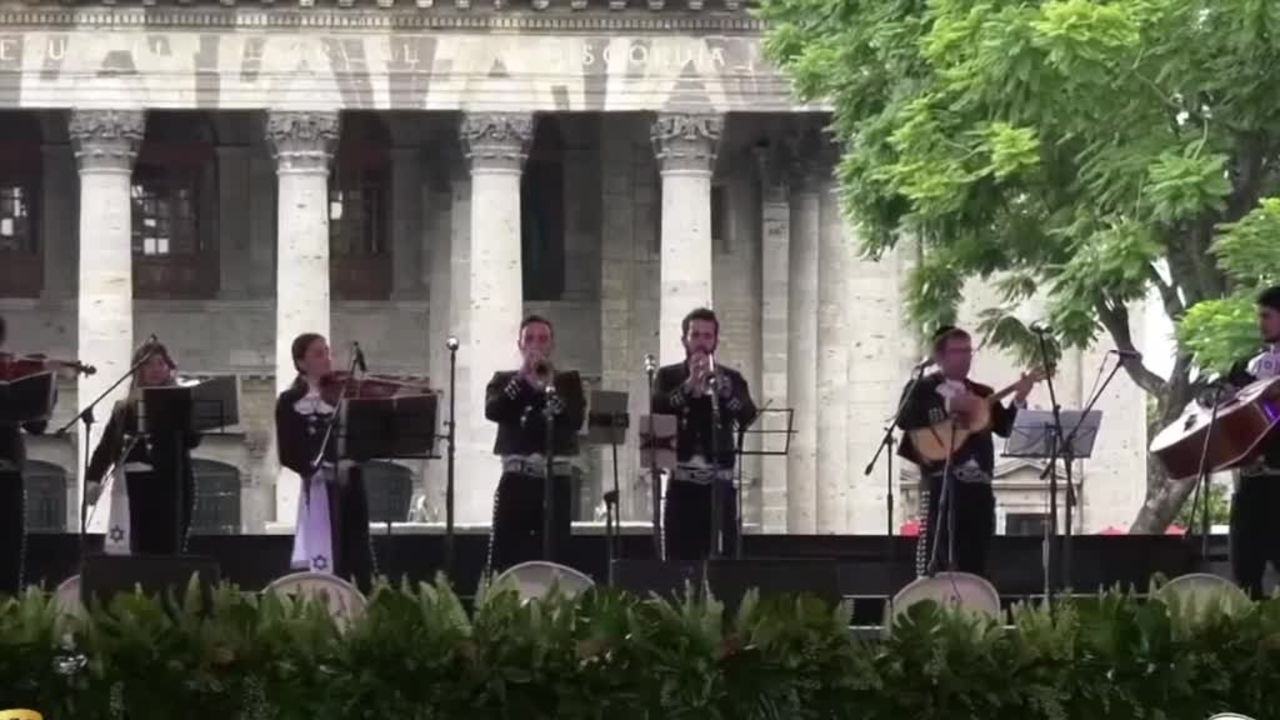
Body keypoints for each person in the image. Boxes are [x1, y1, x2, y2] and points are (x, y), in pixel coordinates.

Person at [896, 325, 1039, 577]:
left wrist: (1019, 399)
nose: (965, 357)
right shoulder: (922, 388)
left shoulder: (983, 393)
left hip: (978, 488)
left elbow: (1005, 428)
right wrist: (949, 405)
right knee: (939, 559)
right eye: (958, 351)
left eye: (968, 351)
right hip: (941, 485)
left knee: (976, 559)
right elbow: (904, 419)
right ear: (940, 356)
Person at [653, 307, 758, 561]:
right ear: (684, 340)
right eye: (695, 335)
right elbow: (658, 409)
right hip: (682, 486)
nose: (701, 342)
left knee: (723, 562)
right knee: (679, 560)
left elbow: (748, 414)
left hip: (719, 487)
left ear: (715, 341)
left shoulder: (731, 378)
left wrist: (727, 394)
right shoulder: (668, 376)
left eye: (707, 336)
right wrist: (688, 386)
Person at [484, 315, 586, 572]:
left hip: (556, 480)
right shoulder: (504, 380)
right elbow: (494, 411)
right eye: (529, 339)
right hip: (517, 478)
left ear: (552, 345)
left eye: (543, 339)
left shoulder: (568, 381)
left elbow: (574, 420)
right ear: (520, 345)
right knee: (505, 554)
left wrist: (549, 388)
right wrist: (522, 380)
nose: (536, 345)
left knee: (556, 552)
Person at [276, 333, 373, 589]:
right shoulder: (289, 401)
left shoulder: (346, 393)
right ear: (301, 362)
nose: (327, 358)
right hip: (317, 485)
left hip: (350, 483)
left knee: (355, 550)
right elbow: (287, 452)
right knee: (323, 547)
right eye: (318, 354)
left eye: (327, 352)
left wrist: (349, 460)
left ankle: (358, 598)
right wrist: (314, 469)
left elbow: (364, 439)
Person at [85, 340, 201, 555]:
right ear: (138, 370)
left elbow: (193, 441)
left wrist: (185, 408)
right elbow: (106, 447)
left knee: (170, 549)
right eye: (148, 364)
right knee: (138, 548)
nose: (155, 369)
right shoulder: (123, 409)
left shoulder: (181, 404)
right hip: (135, 487)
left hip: (172, 486)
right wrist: (93, 479)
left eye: (160, 363)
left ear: (169, 368)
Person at [1226, 285, 1280, 598]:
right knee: (1245, 574)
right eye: (1259, 316)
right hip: (1251, 483)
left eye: (1267, 316)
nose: (1260, 324)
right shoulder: (1251, 364)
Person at [0, 315, 48, 592]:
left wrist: (44, 392)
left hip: (7, 471)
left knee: (9, 546)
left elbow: (36, 426)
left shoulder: (12, 372)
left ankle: (8, 606)